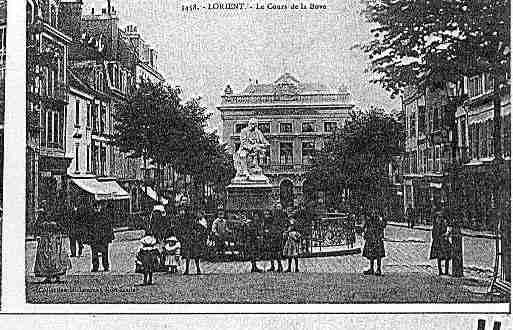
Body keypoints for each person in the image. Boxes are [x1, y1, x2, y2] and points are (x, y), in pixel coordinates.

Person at [34, 203, 71, 283]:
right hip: (46, 238)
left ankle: (58, 275)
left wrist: (56, 226)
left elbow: (63, 225)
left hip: (55, 238)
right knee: (46, 257)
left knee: (57, 257)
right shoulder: (41, 214)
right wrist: (45, 225)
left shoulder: (59, 213)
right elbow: (37, 225)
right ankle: (48, 275)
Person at [177, 197, 207, 275]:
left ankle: (198, 269)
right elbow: (179, 223)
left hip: (192, 234)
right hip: (185, 234)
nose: (184, 202)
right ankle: (186, 269)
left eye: (186, 200)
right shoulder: (179, 210)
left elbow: (196, 220)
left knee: (195, 253)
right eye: (183, 200)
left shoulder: (191, 210)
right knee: (187, 254)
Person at [85, 202, 115, 272]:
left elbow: (108, 226)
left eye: (98, 207)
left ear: (100, 207)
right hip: (94, 238)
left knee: (105, 252)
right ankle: (95, 266)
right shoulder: (91, 217)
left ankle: (106, 266)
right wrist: (89, 237)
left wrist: (109, 237)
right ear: (93, 208)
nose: (97, 209)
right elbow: (88, 228)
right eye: (95, 207)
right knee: (94, 253)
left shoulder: (105, 216)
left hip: (103, 238)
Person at [362, 210, 386, 276]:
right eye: (373, 213)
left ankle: (378, 269)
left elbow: (383, 226)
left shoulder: (378, 221)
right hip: (371, 238)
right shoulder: (369, 220)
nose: (374, 214)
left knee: (378, 254)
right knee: (371, 254)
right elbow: (365, 227)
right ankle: (372, 269)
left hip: (377, 238)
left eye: (375, 213)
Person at [429, 210, 451, 275]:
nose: (440, 218)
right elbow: (434, 235)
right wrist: (440, 236)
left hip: (444, 242)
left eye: (441, 217)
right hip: (438, 243)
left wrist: (446, 234)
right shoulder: (435, 226)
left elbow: (445, 231)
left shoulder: (444, 223)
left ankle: (446, 271)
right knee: (439, 257)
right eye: (438, 217)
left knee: (447, 256)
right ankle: (440, 271)